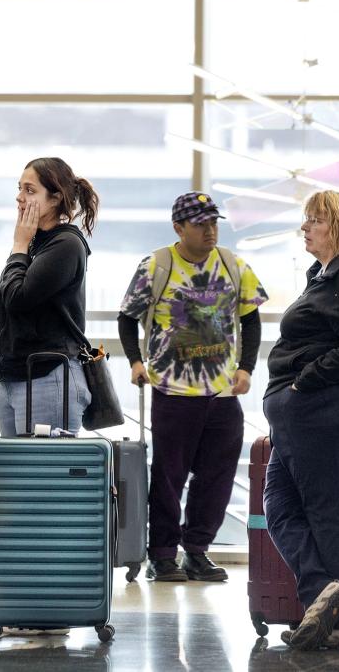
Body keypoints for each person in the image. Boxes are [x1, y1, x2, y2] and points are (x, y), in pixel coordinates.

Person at [117, 191, 267, 582]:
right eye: (200, 224)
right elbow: (126, 316)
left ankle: (197, 551)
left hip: (220, 393)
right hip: (173, 391)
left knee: (217, 477)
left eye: (213, 222)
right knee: (168, 476)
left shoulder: (233, 265)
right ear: (179, 228)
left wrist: (246, 368)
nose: (210, 231)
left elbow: (251, 319)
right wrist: (136, 361)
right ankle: (162, 555)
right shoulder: (157, 265)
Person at [264, 190, 339, 651]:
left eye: (313, 220)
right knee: (279, 507)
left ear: (336, 225)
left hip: (326, 406)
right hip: (305, 412)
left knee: (325, 510)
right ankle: (325, 601)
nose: (305, 228)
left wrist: (303, 383)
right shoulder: (327, 274)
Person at [0, 157, 99, 436]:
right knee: (18, 475)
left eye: (30, 190)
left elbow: (20, 299)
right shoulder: (35, 242)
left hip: (47, 376)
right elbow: (24, 307)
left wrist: (18, 245)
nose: (19, 197)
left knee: (43, 475)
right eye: (19, 188)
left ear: (55, 199)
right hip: (15, 375)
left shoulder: (65, 244)